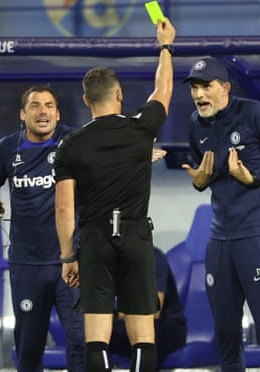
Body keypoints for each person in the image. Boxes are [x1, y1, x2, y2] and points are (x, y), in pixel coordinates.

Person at [53, 18, 176, 372]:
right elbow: (163, 90)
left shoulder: (70, 145)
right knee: (143, 333)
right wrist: (165, 46)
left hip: (94, 238)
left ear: (85, 100)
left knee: (97, 334)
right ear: (119, 95)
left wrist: (67, 256)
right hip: (137, 236)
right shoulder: (141, 129)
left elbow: (64, 208)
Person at [181, 56, 260, 372]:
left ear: (224, 88)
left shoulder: (253, 113)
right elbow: (203, 173)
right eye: (194, 87)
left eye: (206, 86)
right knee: (225, 333)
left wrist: (256, 175)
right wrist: (199, 181)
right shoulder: (196, 123)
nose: (198, 94)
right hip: (219, 236)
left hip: (257, 234)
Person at [0, 85, 85, 372]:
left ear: (58, 114)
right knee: (29, 345)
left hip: (71, 264)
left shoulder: (75, 141)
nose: (43, 111)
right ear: (23, 114)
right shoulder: (8, 148)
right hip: (27, 264)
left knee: (82, 342)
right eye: (35, 105)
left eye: (49, 105)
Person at [109, 247, 187, 365]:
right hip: (127, 321)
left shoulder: (153, 258)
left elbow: (153, 310)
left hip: (167, 324)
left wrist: (117, 313)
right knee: (95, 336)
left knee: (146, 334)